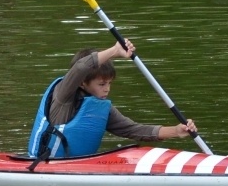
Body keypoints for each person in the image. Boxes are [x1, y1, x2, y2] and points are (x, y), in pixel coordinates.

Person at [27, 41, 198, 159]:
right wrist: (115, 51)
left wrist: (176, 131)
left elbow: (134, 130)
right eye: (101, 84)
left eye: (109, 83)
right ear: (82, 83)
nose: (107, 88)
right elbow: (81, 67)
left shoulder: (101, 109)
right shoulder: (63, 95)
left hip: (76, 168)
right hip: (42, 165)